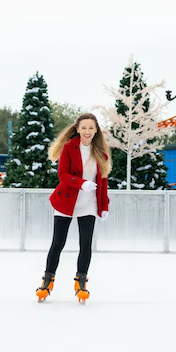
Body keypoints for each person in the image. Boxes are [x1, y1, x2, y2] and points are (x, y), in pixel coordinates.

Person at [36, 113, 110, 304]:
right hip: (66, 202)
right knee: (58, 243)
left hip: (88, 204)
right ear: (77, 129)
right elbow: (62, 174)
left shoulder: (100, 152)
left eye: (91, 128)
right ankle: (47, 281)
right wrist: (81, 183)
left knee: (85, 244)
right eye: (84, 127)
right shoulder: (69, 148)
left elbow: (103, 182)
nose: (87, 131)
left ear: (96, 130)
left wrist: (104, 205)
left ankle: (81, 282)